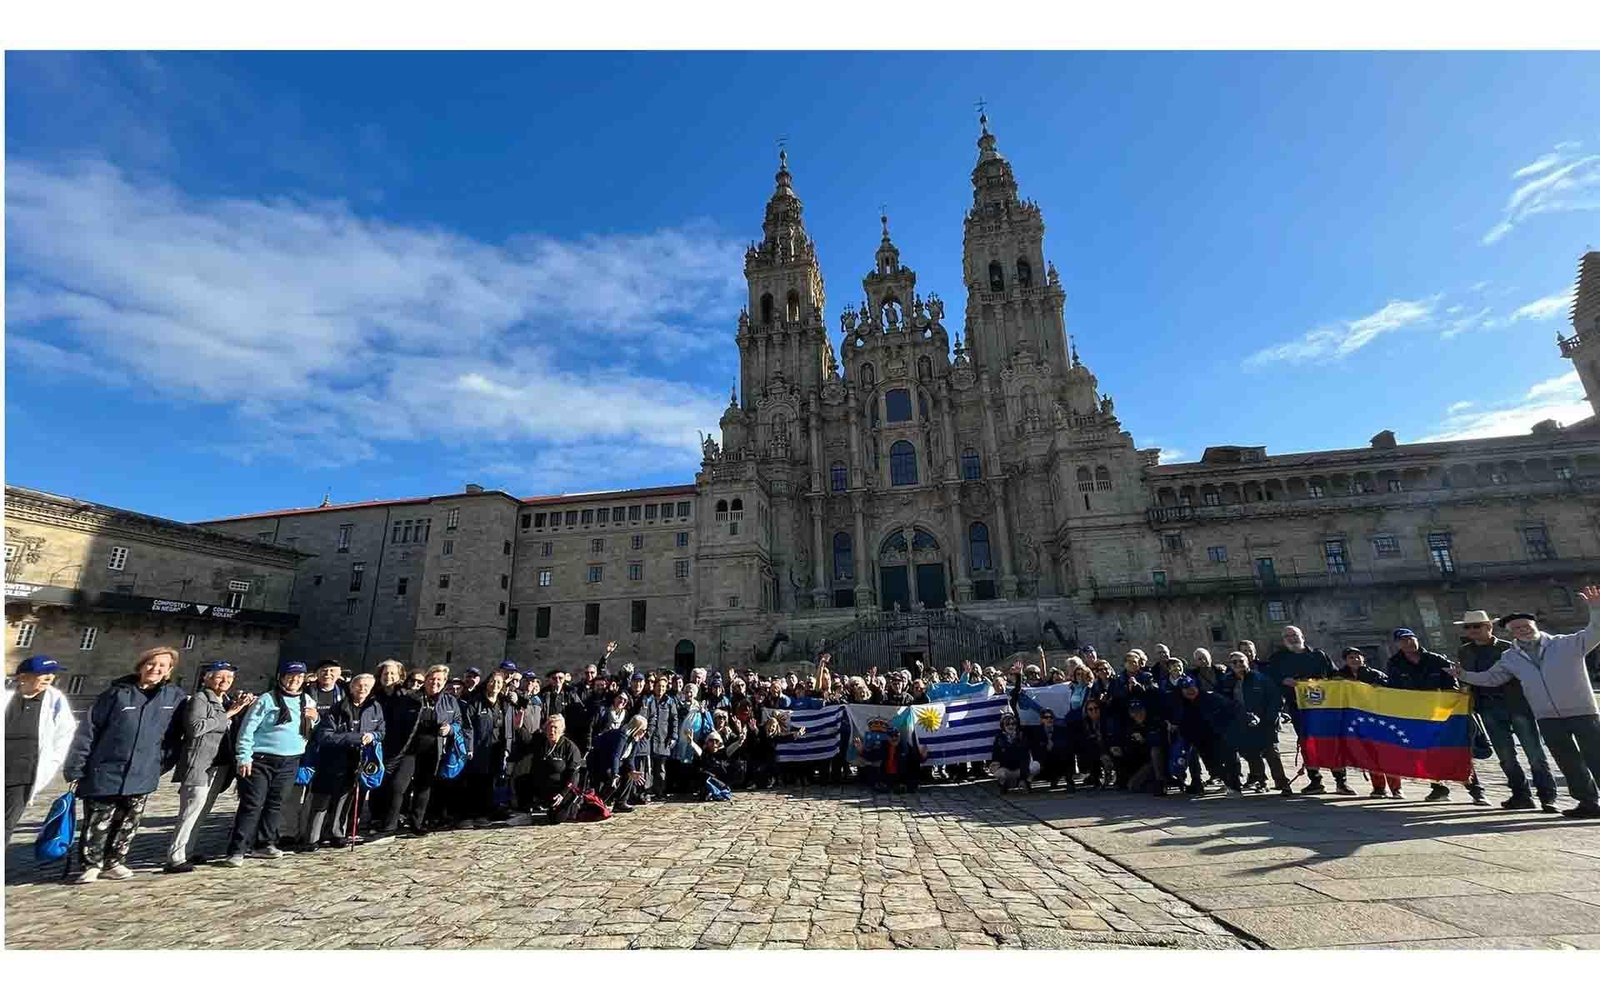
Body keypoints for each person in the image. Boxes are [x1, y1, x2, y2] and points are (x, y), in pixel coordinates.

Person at [1455, 594, 1600, 819]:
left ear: (1534, 625)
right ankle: (1588, 801)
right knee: (1567, 761)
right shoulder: (1510, 657)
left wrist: (1595, 608)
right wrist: (1463, 675)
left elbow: (1596, 631)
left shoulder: (1566, 643)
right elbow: (1491, 678)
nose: (1522, 630)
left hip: (1582, 711)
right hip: (1547, 717)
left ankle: (1569, 798)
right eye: (1517, 628)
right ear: (1511, 632)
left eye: (1526, 625)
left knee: (1596, 755)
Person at [62, 646, 188, 883]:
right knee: (98, 820)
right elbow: (89, 730)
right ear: (141, 666)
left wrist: (160, 763)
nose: (155, 669)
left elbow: (175, 737)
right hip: (106, 768)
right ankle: (91, 863)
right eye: (151, 663)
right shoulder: (116, 694)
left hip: (143, 770)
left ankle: (115, 861)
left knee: (129, 821)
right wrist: (77, 765)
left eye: (162, 665)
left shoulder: (174, 697)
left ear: (169, 671)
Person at [1456, 610, 1559, 813]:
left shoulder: (1508, 648)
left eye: (1477, 626)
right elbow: (1465, 679)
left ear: (1489, 627)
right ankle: (1521, 795)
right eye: (1468, 627)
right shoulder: (1464, 652)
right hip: (1488, 708)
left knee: (1534, 753)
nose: (1472, 630)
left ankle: (1548, 797)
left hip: (1517, 705)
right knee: (1505, 756)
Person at [164, 661, 256, 872]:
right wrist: (231, 713)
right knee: (190, 810)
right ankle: (175, 856)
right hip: (199, 763)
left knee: (203, 810)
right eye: (220, 677)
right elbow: (196, 728)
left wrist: (242, 708)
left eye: (229, 678)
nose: (225, 681)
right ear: (206, 678)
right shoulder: (200, 698)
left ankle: (188, 850)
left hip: (219, 764)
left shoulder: (226, 700)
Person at [224, 661, 319, 867]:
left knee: (276, 803)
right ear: (281, 677)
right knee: (252, 804)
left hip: (290, 760)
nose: (295, 680)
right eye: (291, 676)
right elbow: (247, 729)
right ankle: (237, 849)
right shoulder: (267, 699)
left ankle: (264, 843)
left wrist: (316, 717)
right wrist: (244, 756)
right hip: (261, 760)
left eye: (300, 677)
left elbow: (309, 726)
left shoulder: (308, 700)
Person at [1387, 628, 1487, 805]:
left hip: (1443, 712)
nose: (1408, 642)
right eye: (1403, 640)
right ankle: (1439, 789)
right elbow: (1395, 690)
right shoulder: (1394, 663)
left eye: (1410, 638)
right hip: (1417, 715)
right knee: (1426, 752)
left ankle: (1476, 790)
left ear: (1416, 639)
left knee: (1456, 750)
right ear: (1397, 644)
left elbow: (1452, 685)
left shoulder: (1436, 659)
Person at [369, 664, 464, 842]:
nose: (435, 683)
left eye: (439, 680)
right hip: (409, 750)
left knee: (424, 787)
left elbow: (459, 722)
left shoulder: (450, 701)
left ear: (444, 683)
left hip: (432, 751)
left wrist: (450, 728)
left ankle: (416, 823)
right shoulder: (410, 698)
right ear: (426, 680)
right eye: (431, 679)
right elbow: (395, 722)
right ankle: (389, 825)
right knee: (398, 786)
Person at [1266, 625, 1354, 795]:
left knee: (1331, 741)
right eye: (1287, 636)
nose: (1292, 638)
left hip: (1324, 707)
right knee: (1308, 743)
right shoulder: (1278, 658)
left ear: (1302, 636)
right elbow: (1272, 678)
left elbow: (1334, 674)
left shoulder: (1318, 655)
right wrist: (1284, 680)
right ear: (1284, 641)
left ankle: (1340, 781)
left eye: (1294, 635)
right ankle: (1315, 780)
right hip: (1299, 707)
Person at [303, 672, 385, 849]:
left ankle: (336, 833)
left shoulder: (375, 708)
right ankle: (312, 838)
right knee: (322, 800)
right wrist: (356, 738)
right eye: (359, 685)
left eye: (366, 686)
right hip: (331, 760)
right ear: (351, 687)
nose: (362, 689)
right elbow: (325, 736)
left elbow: (381, 732)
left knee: (344, 799)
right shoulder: (337, 708)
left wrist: (372, 736)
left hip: (356, 761)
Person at [4, 655, 77, 841]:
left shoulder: (55, 699)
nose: (49, 677)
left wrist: (53, 760)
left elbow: (65, 733)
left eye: (52, 674)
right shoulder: (5, 694)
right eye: (42, 673)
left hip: (22, 777)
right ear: (23, 677)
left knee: (5, 825)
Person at [1219, 651, 1293, 795]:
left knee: (1272, 754)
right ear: (1230, 665)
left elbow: (1276, 699)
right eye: (1234, 662)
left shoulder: (1260, 678)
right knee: (1251, 755)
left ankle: (1283, 784)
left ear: (1247, 662)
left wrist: (1270, 719)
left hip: (1264, 723)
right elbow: (1223, 702)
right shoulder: (1227, 681)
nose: (1238, 664)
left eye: (1241, 661)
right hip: (1242, 724)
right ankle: (1261, 781)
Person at [457, 669, 513, 827]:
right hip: (479, 748)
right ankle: (473, 813)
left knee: (491, 780)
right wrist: (469, 747)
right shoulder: (476, 702)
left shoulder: (504, 703)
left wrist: (507, 747)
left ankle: (486, 812)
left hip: (496, 748)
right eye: (493, 681)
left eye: (499, 682)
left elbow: (507, 729)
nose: (495, 684)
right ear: (487, 682)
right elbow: (468, 726)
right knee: (476, 780)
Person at [1172, 678, 1244, 796]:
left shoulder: (1212, 698)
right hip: (1202, 741)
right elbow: (1182, 724)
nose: (1190, 691)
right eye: (1186, 689)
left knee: (1230, 761)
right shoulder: (1181, 704)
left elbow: (1233, 709)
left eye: (1192, 687)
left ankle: (1235, 787)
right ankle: (1229, 783)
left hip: (1222, 736)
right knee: (1213, 768)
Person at [509, 713, 584, 825]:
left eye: (555, 728)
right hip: (542, 785)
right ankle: (526, 810)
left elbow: (573, 776)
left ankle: (572, 806)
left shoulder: (570, 748)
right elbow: (527, 740)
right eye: (550, 727)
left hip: (561, 789)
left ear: (562, 730)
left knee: (556, 819)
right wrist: (519, 727)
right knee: (521, 781)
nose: (552, 731)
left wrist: (562, 794)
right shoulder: (541, 741)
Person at [1113, 700, 1167, 795]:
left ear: (1145, 711)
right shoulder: (1130, 727)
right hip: (1140, 763)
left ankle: (1161, 782)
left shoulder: (1154, 722)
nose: (1138, 714)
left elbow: (1160, 743)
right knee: (1132, 786)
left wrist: (1144, 739)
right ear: (1130, 714)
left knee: (1155, 751)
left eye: (1140, 711)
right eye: (1134, 712)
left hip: (1156, 761)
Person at [643, 674, 680, 801]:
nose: (661, 689)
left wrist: (673, 735)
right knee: (648, 767)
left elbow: (674, 719)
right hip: (649, 738)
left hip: (663, 738)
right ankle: (647, 791)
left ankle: (660, 791)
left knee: (661, 768)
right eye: (659, 686)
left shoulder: (669, 701)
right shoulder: (648, 699)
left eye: (663, 686)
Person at [1029, 709, 1076, 792]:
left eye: (1051, 717)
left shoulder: (1061, 730)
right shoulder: (1036, 732)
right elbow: (1035, 751)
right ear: (1041, 720)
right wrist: (1046, 748)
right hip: (1044, 761)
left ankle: (1069, 781)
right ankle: (1050, 778)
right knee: (1036, 765)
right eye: (1046, 717)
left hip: (1059, 759)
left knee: (1069, 755)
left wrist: (1054, 746)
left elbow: (1066, 746)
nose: (1049, 719)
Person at [1075, 698, 1115, 789]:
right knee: (1089, 752)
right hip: (1094, 750)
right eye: (1090, 709)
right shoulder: (1085, 723)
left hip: (1109, 748)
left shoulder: (1107, 720)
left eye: (1096, 708)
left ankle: (1112, 774)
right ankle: (1096, 778)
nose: (1094, 711)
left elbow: (1111, 737)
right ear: (1087, 711)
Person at [991, 714, 1036, 792]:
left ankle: (1026, 782)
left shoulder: (1021, 736)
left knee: (1035, 766)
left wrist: (1023, 776)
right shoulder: (999, 738)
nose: (1010, 726)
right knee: (998, 771)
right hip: (1006, 769)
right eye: (1007, 724)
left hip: (1019, 769)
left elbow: (1025, 756)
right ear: (1003, 726)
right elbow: (995, 756)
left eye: (1013, 724)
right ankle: (1003, 783)